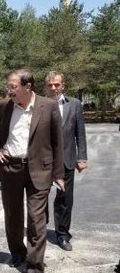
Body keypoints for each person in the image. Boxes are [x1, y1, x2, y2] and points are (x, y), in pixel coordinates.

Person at [0, 69, 64, 273]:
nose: (9, 91)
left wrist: (59, 174)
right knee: (13, 215)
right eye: (9, 86)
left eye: (13, 87)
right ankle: (18, 254)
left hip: (40, 169)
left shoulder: (47, 106)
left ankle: (34, 266)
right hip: (10, 167)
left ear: (27, 87)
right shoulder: (4, 106)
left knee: (36, 218)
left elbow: (58, 142)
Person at [44, 71, 87, 251]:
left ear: (63, 85)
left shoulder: (74, 104)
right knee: (39, 198)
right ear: (46, 86)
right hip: (44, 162)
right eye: (50, 85)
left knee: (64, 200)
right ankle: (39, 231)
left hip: (67, 160)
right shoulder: (40, 104)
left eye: (57, 84)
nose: (54, 88)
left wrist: (82, 157)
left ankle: (62, 235)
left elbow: (80, 133)